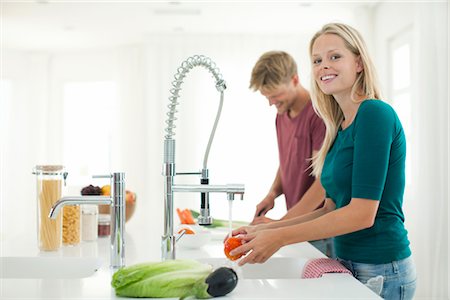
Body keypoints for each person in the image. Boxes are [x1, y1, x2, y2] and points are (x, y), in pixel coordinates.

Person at [230, 23, 416, 300]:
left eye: (334, 57)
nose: (323, 66)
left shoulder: (375, 113)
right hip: (349, 264)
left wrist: (280, 237)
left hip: (381, 269)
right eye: (317, 60)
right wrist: (267, 228)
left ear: (359, 63)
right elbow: (329, 207)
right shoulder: (339, 127)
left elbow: (362, 214)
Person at [248, 51, 333, 257]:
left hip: (319, 230)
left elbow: (323, 184)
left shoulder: (317, 115)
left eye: (275, 95)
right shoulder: (281, 115)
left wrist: (279, 226)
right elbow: (287, 162)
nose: (271, 103)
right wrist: (272, 193)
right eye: (267, 96)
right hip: (295, 226)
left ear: (295, 80)